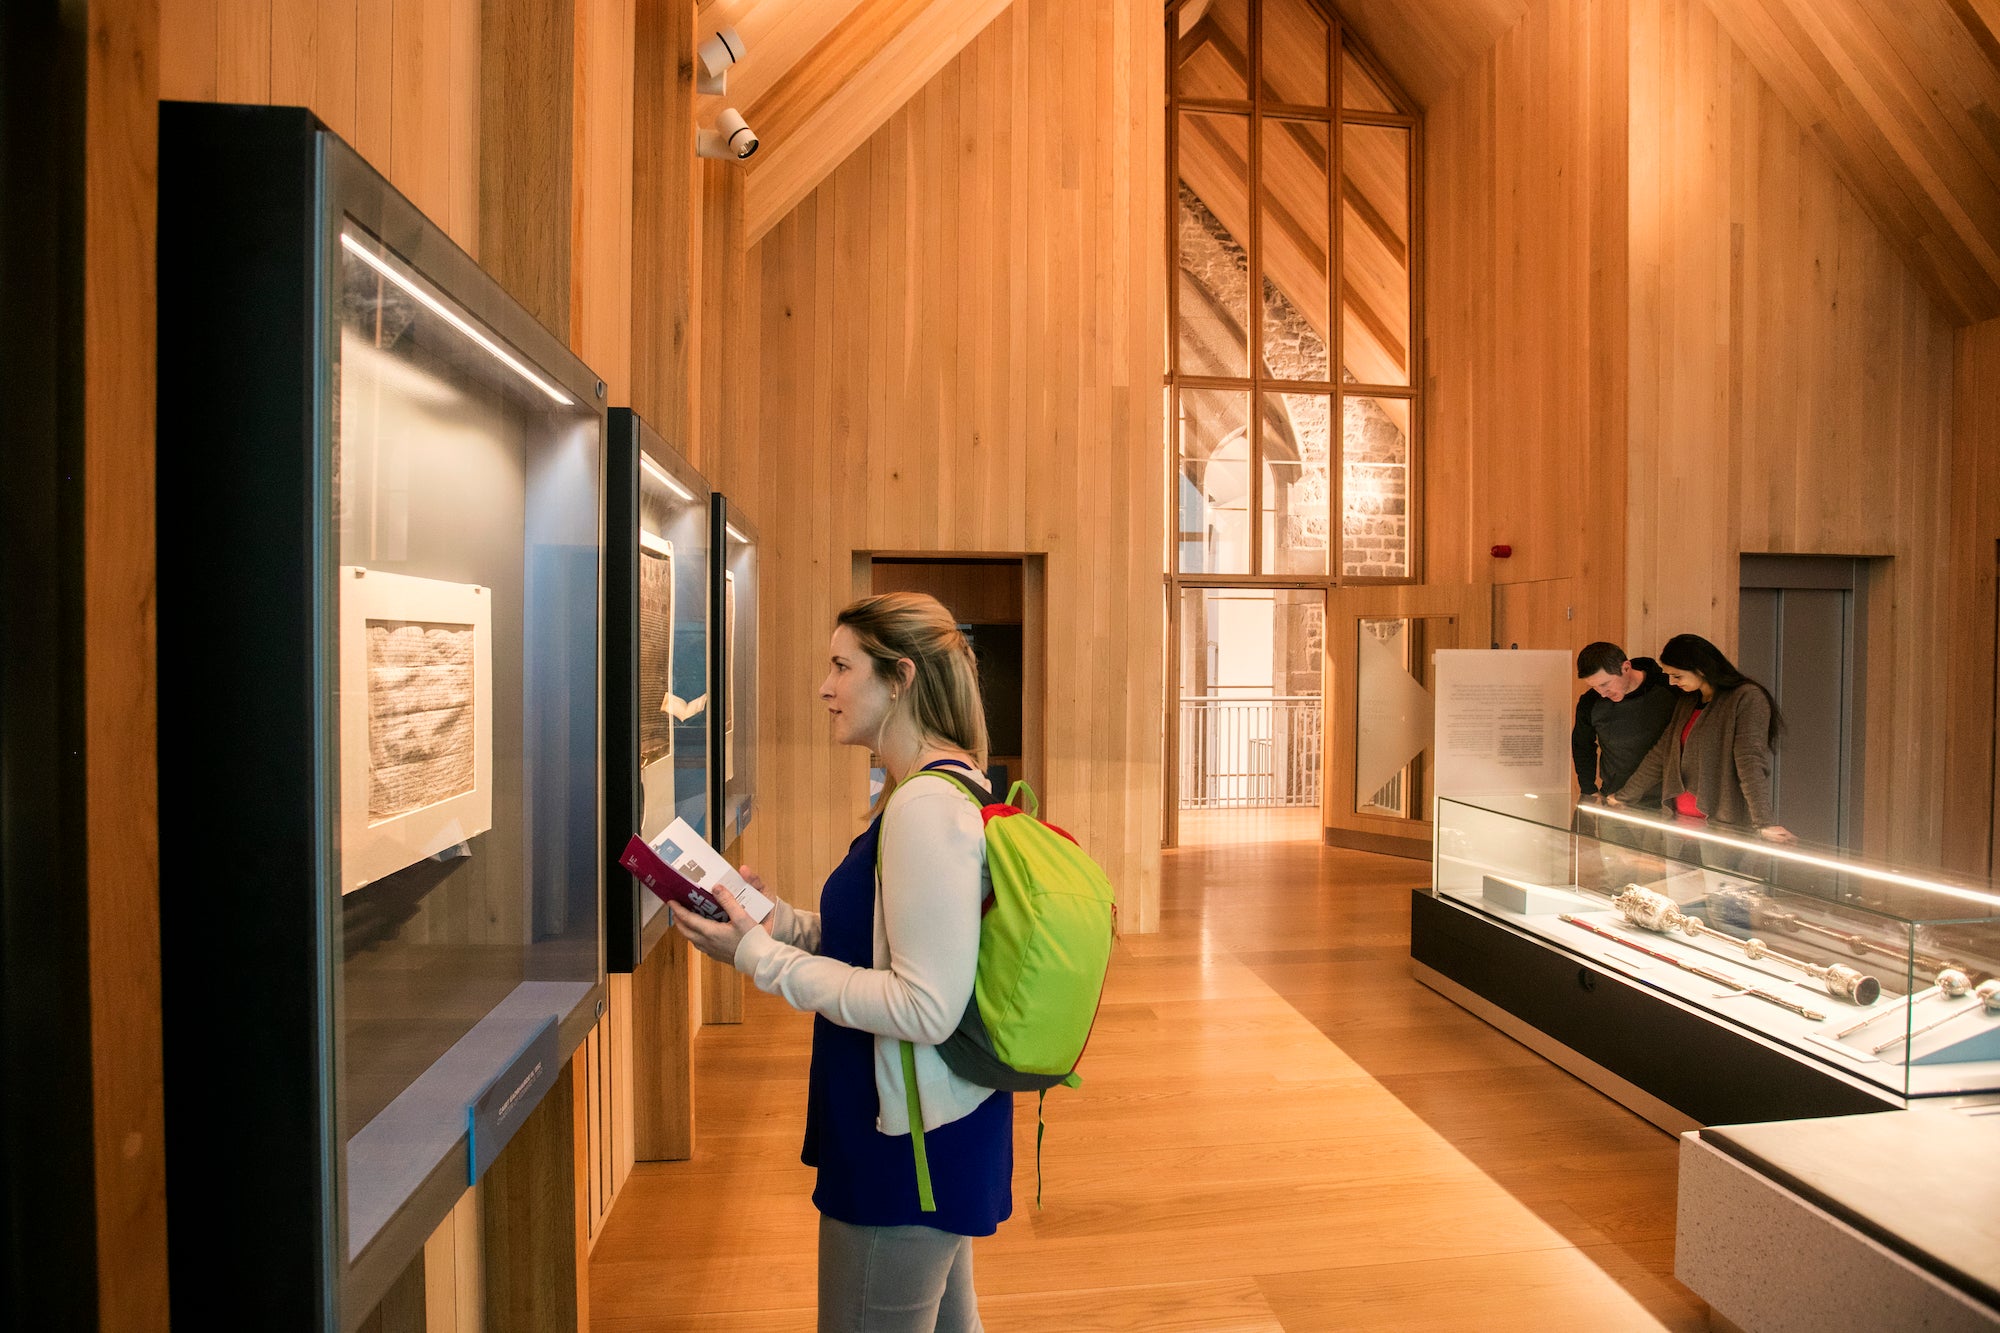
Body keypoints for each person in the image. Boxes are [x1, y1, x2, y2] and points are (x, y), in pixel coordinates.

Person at [673, 591, 1008, 1333]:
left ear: (901, 678)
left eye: (841, 666)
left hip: (905, 1147)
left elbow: (925, 1005)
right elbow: (883, 941)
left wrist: (758, 956)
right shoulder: (931, 788)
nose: (824, 687)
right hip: (922, 1126)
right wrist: (775, 923)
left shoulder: (924, 807)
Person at [1608, 633, 1795, 842]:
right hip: (1677, 821)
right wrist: (1624, 797)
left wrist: (1764, 823)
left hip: (1720, 826)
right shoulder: (1688, 700)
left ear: (1701, 670)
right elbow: (1661, 754)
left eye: (1677, 676)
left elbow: (1749, 762)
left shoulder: (1746, 697)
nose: (1672, 682)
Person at [1571, 642, 1678, 805]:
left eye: (1605, 684)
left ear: (1626, 668)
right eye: (1594, 687)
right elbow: (1582, 745)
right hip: (1616, 798)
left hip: (1667, 800)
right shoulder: (1591, 701)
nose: (1602, 693)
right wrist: (1589, 789)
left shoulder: (1670, 689)